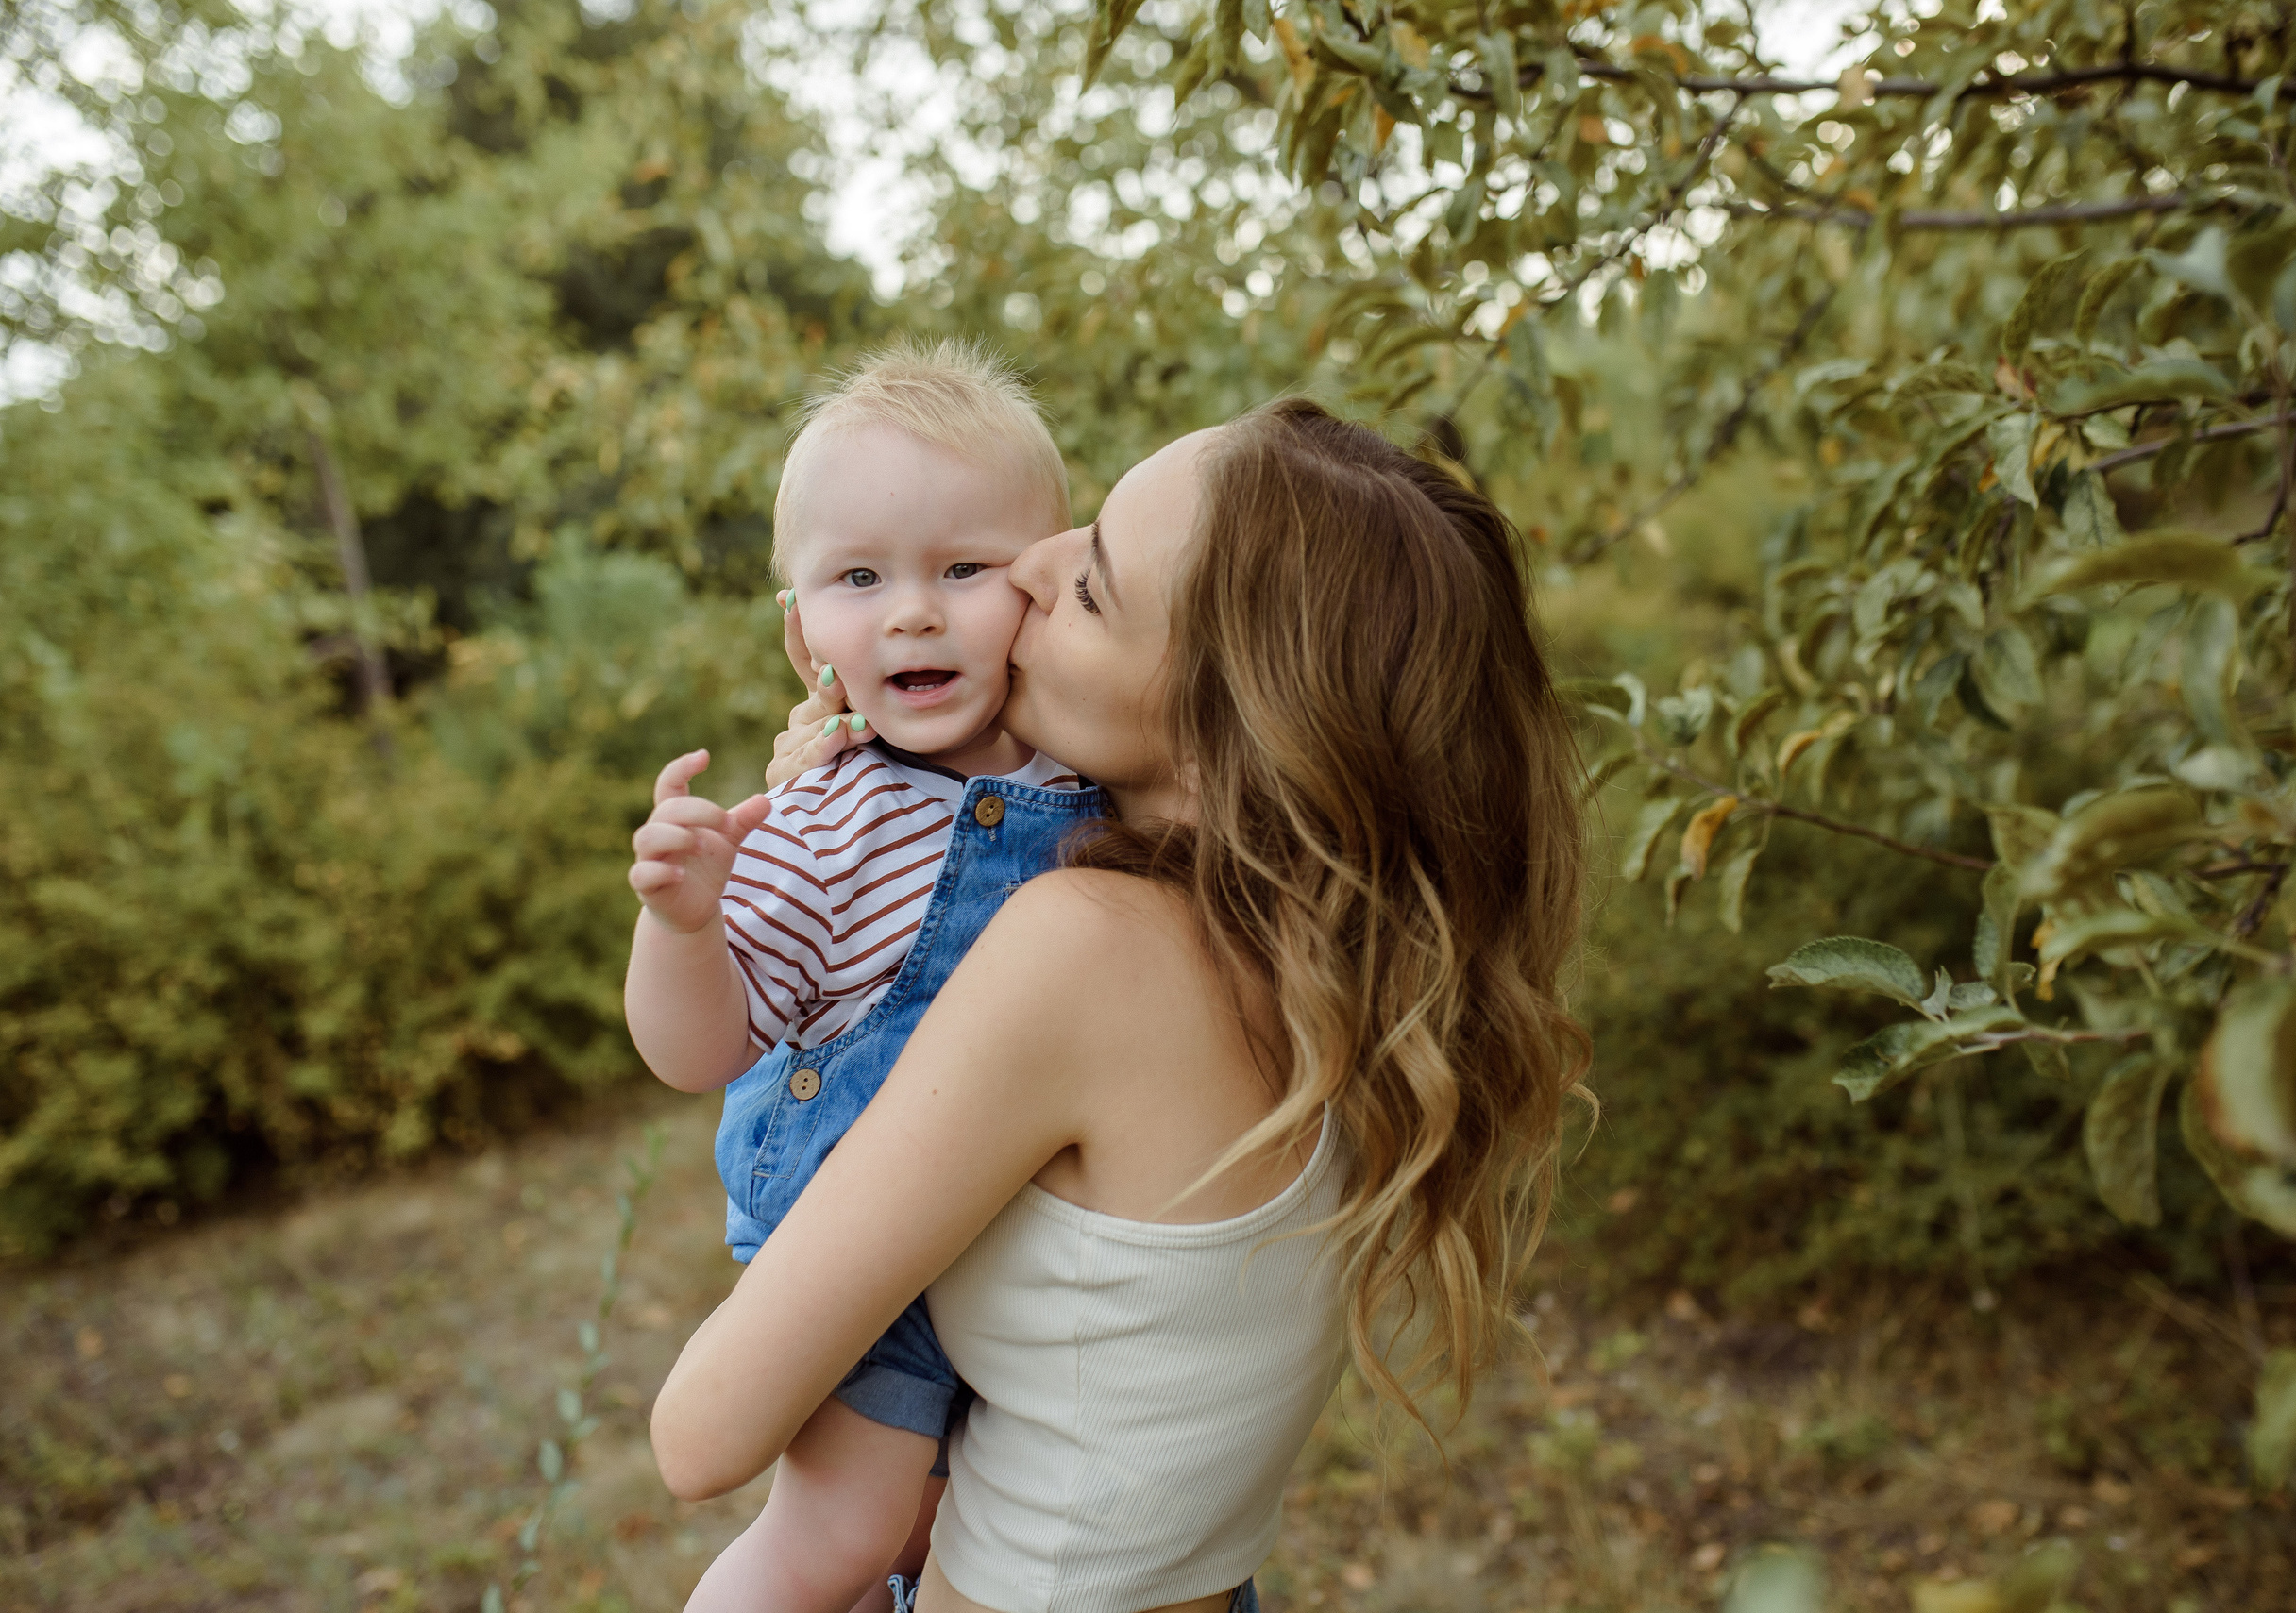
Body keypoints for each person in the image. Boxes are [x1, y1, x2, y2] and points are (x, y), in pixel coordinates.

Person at [648, 399, 1591, 1613]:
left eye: (1091, 586)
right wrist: (873, 744)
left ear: (1217, 724)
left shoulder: (1088, 948)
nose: (1027, 570)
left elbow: (702, 1431)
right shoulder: (1342, 964)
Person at [625, 341, 1095, 1613]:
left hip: (1026, 1239)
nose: (912, 612)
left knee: (969, 1541)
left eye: (965, 568)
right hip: (860, 1242)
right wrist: (683, 928)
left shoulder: (1091, 778)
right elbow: (699, 1050)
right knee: (844, 1535)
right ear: (802, 633)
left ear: (1048, 589)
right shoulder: (826, 822)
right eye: (859, 576)